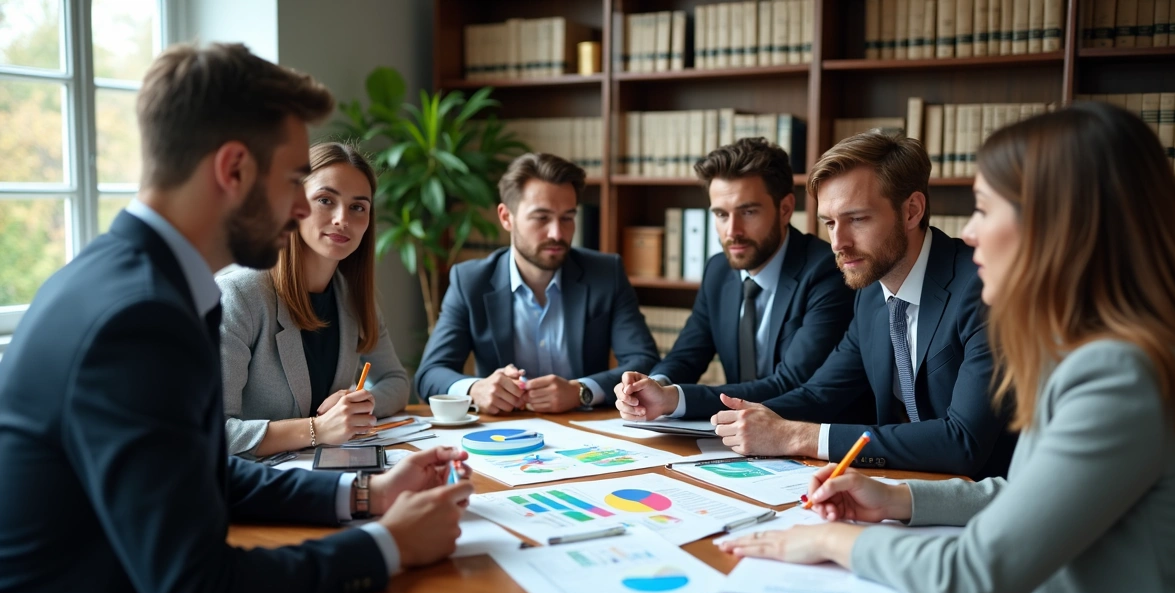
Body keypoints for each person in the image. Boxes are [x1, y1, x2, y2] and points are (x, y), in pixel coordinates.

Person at [0, 43, 473, 593]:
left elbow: (204, 474)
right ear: (233, 169)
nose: (306, 208)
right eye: (297, 182)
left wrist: (365, 495)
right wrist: (387, 546)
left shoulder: (145, 282)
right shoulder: (139, 318)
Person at [720, 103, 1175, 593]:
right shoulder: (1098, 353)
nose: (971, 234)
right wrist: (900, 498)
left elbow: (975, 576)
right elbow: (1027, 497)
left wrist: (826, 541)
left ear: (1060, 223)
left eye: (983, 209)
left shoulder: (1121, 375)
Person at [707, 131, 1015, 478]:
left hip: (988, 504)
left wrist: (797, 436)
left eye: (857, 219)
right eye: (830, 223)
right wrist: (740, 419)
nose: (839, 243)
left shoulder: (983, 287)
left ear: (912, 211)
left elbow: (964, 442)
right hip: (903, 488)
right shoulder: (870, 294)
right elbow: (821, 394)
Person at [612, 138, 859, 422]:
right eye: (720, 214)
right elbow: (686, 356)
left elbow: (791, 383)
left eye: (748, 212)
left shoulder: (827, 272)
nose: (733, 231)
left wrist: (674, 398)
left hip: (813, 439)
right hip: (743, 441)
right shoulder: (719, 270)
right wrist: (651, 386)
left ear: (785, 209)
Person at [415, 152, 659, 415]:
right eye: (541, 218)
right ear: (506, 217)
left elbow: (644, 361)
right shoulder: (470, 281)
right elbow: (429, 374)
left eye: (567, 217)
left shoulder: (605, 273)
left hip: (584, 431)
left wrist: (581, 391)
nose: (557, 233)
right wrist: (476, 390)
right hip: (502, 434)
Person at [219, 141, 411, 457]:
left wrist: (358, 404)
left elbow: (395, 380)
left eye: (358, 207)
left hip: (324, 473)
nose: (341, 219)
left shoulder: (351, 295)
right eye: (325, 200)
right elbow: (211, 432)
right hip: (251, 487)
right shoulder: (239, 295)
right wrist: (317, 429)